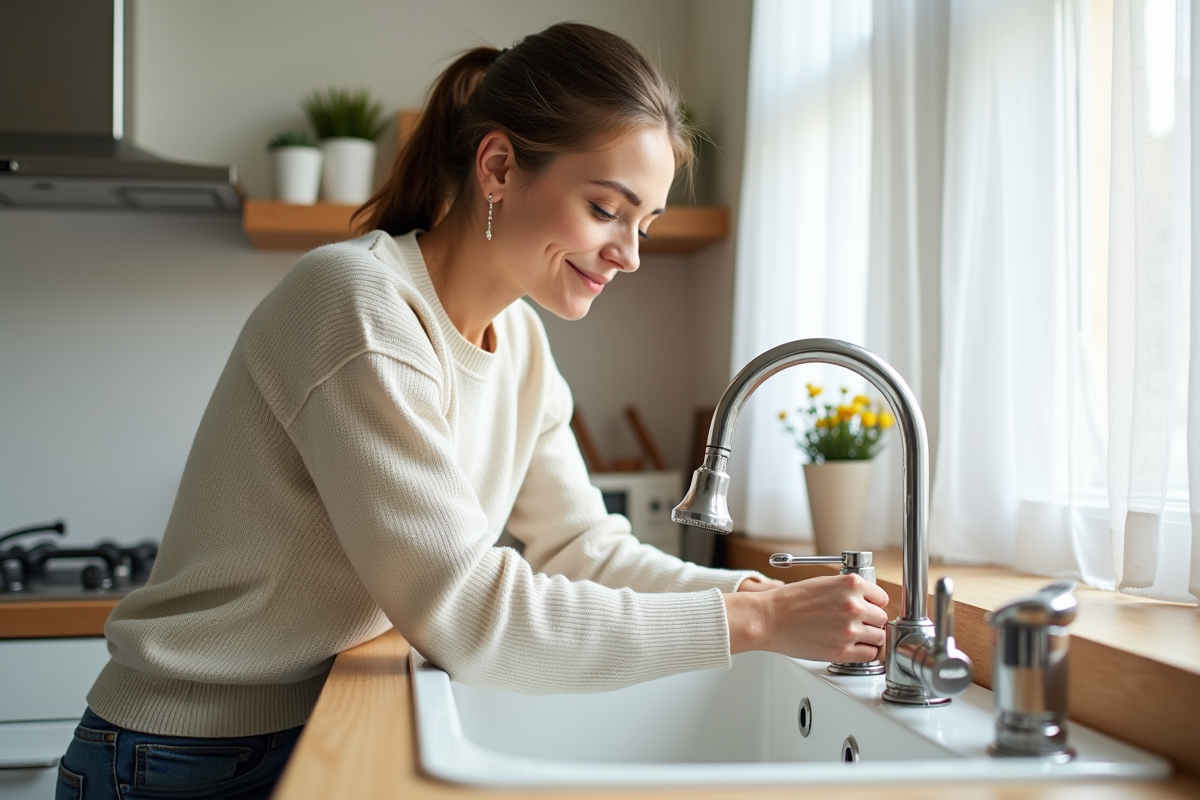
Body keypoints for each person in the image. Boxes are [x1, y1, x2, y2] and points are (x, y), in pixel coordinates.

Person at [57, 22, 889, 800]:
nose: (629, 254)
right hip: (179, 752)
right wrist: (755, 618)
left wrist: (765, 598)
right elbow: (467, 609)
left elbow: (583, 548)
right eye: (606, 209)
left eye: (645, 223)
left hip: (292, 726)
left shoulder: (519, 342)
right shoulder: (359, 305)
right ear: (497, 168)